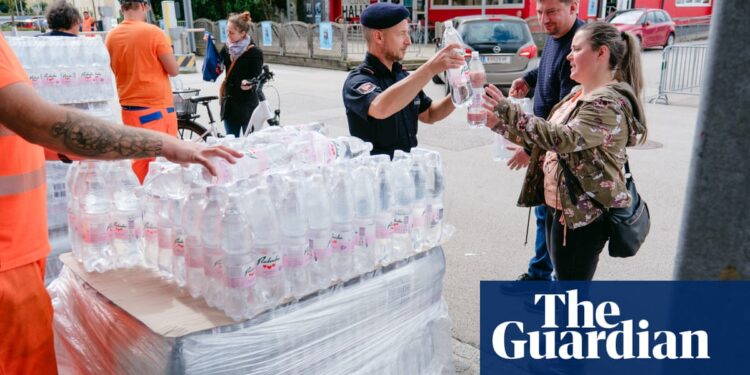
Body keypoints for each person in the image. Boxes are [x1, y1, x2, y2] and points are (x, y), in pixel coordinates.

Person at [0, 33, 241, 375]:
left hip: (16, 251)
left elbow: (22, 129)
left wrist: (78, 151)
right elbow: (40, 122)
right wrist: (164, 144)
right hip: (7, 263)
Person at [482, 22, 647, 280]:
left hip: (583, 215)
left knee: (571, 290)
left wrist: (507, 110)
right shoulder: (577, 94)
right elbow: (547, 139)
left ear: (601, 53)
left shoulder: (607, 103)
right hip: (561, 207)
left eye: (577, 49)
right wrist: (499, 125)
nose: (568, 56)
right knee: (564, 279)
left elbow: (563, 138)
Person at [506, 0, 584, 282]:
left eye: (551, 12)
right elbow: (546, 68)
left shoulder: (578, 47)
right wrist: (528, 78)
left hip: (557, 152)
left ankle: (547, 283)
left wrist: (529, 148)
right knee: (545, 216)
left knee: (555, 222)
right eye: (540, 12)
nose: (543, 19)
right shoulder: (556, 37)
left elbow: (564, 115)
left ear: (573, 7)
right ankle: (539, 274)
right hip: (545, 145)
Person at [342, 3, 464, 158]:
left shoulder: (402, 76)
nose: (408, 41)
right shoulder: (358, 80)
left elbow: (430, 114)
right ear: (378, 36)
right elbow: (381, 108)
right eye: (401, 34)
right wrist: (430, 68)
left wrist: (460, 90)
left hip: (407, 173)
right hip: (376, 177)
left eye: (408, 33)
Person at [105, 0, 180, 183]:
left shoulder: (111, 36)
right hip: (157, 109)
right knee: (163, 165)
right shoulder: (153, 33)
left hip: (129, 110)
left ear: (122, 8)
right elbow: (173, 70)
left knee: (139, 160)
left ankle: (142, 204)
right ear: (143, 6)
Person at [218, 11, 263, 137]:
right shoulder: (226, 48)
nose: (228, 35)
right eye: (227, 31)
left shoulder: (254, 53)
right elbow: (216, 68)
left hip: (246, 106)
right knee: (231, 142)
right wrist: (210, 47)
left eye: (232, 32)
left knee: (249, 143)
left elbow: (257, 78)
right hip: (230, 105)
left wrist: (249, 83)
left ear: (243, 33)